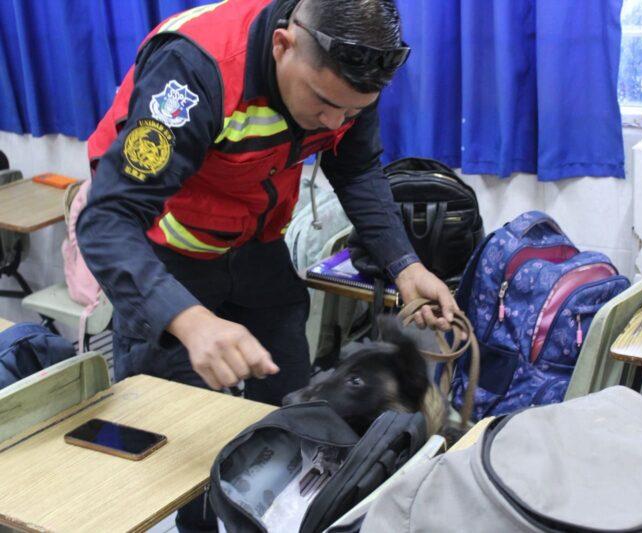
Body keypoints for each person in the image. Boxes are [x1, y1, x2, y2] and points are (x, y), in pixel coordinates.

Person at [77, 0, 457, 530]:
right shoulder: (194, 72)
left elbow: (356, 169)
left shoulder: (347, 81)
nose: (335, 122)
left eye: (351, 112)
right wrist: (188, 319)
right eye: (324, 103)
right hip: (167, 263)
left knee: (294, 413)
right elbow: (105, 221)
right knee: (183, 449)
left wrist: (404, 265)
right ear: (283, 45)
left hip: (257, 250)